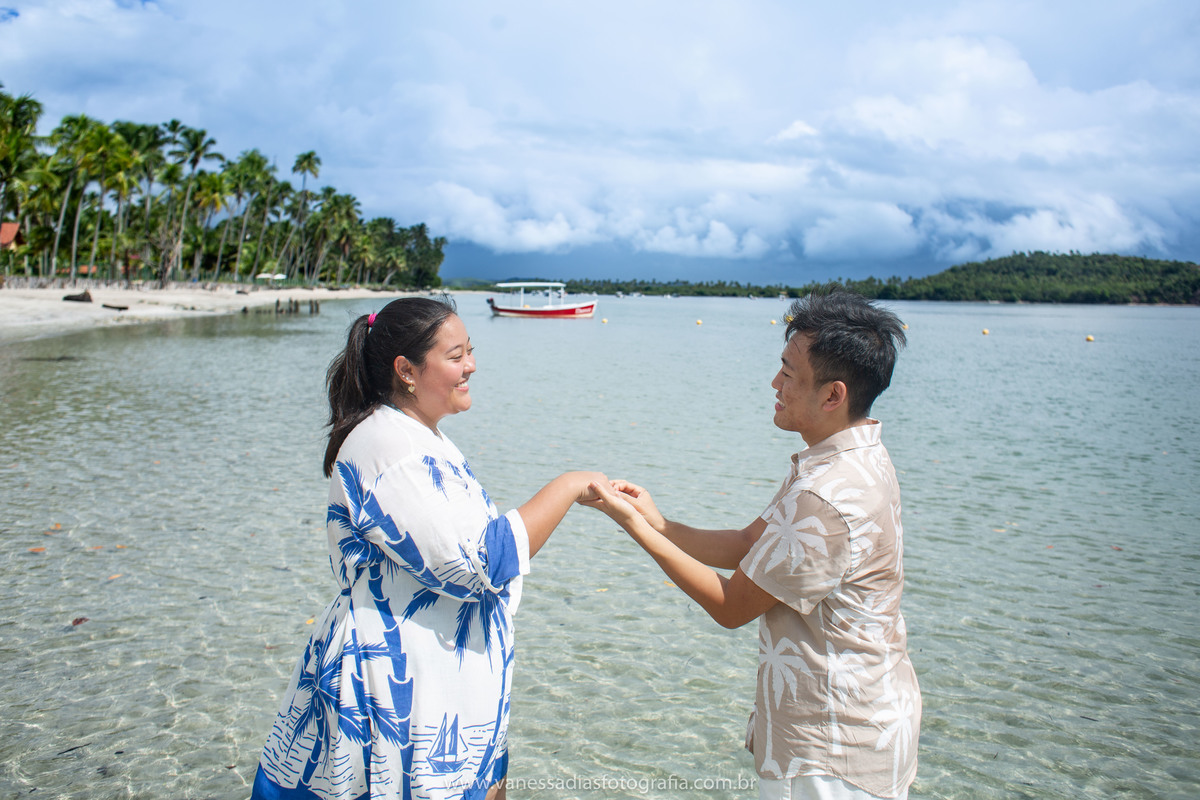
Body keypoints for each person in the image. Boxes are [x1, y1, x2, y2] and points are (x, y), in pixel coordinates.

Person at [252, 296, 605, 800]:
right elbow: (476, 564)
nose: (472, 365)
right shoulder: (390, 450)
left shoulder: (417, 436)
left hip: (441, 682)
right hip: (398, 688)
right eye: (456, 355)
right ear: (406, 371)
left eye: (470, 350)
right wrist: (568, 486)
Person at [587, 289, 921, 800]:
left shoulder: (824, 497)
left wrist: (632, 526)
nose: (775, 384)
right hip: (870, 719)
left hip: (831, 751)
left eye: (788, 373)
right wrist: (660, 522)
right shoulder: (851, 456)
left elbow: (731, 606)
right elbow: (751, 544)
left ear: (833, 395)